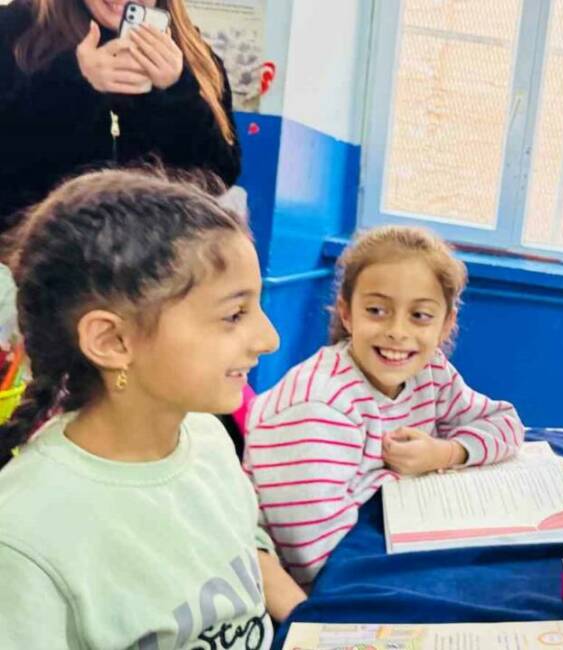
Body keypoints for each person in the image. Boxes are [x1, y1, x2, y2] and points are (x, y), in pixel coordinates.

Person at [0, 169, 305, 647]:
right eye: (233, 315)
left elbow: (247, 553)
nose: (269, 339)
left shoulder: (206, 437)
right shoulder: (24, 536)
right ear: (112, 340)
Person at [244, 225, 525, 584]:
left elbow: (504, 422)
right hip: (321, 591)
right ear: (347, 313)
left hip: (387, 549)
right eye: (377, 310)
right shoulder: (319, 405)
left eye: (420, 315)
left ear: (445, 324)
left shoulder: (431, 370)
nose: (397, 331)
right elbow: (312, 560)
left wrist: (445, 453)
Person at [0, 0, 240, 234]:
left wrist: (177, 94)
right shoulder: (16, 31)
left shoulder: (195, 55)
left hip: (153, 260)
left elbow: (217, 177)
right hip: (30, 257)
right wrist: (73, 81)